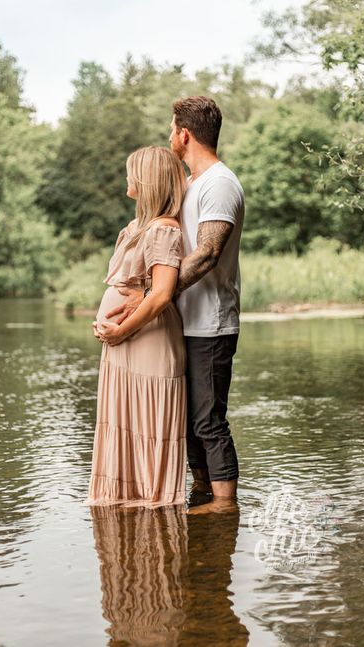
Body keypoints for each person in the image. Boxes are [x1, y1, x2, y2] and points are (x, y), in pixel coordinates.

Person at [100, 96, 245, 513]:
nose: (168, 136)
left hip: (211, 323)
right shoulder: (195, 185)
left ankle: (223, 505)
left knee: (208, 421)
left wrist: (150, 296)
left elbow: (206, 254)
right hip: (186, 322)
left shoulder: (219, 183)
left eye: (170, 129)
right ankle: (203, 493)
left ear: (184, 133)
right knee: (190, 425)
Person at [86, 146, 188, 506]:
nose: (127, 178)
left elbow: (161, 295)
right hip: (126, 344)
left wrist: (122, 330)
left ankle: (153, 518)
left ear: (148, 181)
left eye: (132, 172)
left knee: (146, 428)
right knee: (125, 425)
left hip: (147, 342)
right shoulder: (139, 227)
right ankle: (124, 508)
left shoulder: (163, 230)